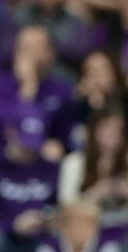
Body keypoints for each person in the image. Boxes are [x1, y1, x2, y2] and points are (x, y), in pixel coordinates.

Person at [58, 109, 128, 228]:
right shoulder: (73, 162)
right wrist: (94, 195)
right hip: (88, 229)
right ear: (93, 131)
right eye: (106, 128)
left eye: (117, 130)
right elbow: (66, 207)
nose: (112, 134)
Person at [0, 25, 76, 160]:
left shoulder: (63, 90)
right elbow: (6, 127)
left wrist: (58, 146)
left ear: (50, 53)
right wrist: (27, 88)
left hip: (43, 166)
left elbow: (65, 137)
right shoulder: (2, 85)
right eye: (24, 48)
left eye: (35, 48)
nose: (28, 55)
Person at [0, 104, 59, 252]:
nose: (30, 150)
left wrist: (47, 219)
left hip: (42, 238)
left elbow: (59, 205)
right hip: (6, 238)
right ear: (10, 132)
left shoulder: (49, 168)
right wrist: (13, 226)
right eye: (25, 142)